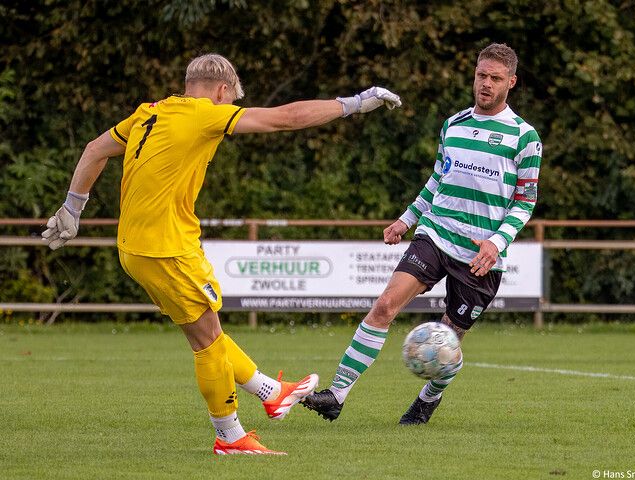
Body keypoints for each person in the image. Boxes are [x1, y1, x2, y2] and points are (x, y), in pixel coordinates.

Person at [42, 53, 401, 454]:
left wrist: (73, 208)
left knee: (204, 327)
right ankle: (230, 436)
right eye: (231, 102)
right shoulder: (204, 114)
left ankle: (272, 392)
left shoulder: (150, 112)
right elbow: (284, 118)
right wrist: (353, 103)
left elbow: (94, 149)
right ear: (221, 91)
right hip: (165, 248)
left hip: (138, 245)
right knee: (208, 341)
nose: (231, 111)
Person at [302, 43, 542, 425]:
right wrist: (406, 219)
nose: (486, 84)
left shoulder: (524, 137)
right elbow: (436, 181)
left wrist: (496, 243)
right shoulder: (454, 123)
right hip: (436, 233)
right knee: (384, 306)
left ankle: (427, 400)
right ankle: (337, 394)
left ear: (511, 83)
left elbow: (525, 203)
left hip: (480, 256)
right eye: (481, 75)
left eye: (496, 78)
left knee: (447, 343)